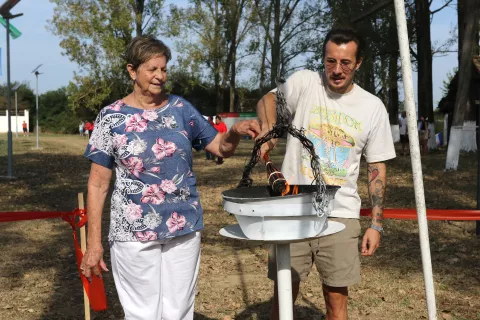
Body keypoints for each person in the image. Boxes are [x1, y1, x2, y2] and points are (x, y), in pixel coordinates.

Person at [80, 35, 260, 320]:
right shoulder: (110, 118)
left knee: (179, 313)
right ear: (132, 71)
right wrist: (93, 245)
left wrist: (235, 132)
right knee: (143, 315)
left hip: (183, 227)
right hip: (133, 232)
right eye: (152, 69)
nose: (160, 76)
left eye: (163, 69)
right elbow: (98, 183)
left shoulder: (181, 109)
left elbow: (220, 148)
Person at [256, 27, 396, 320]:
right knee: (283, 297)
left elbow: (376, 167)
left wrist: (376, 224)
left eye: (345, 63)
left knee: (336, 300)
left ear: (358, 63)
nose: (336, 70)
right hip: (292, 209)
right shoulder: (306, 82)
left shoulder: (373, 107)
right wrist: (270, 130)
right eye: (330, 61)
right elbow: (267, 101)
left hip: (341, 213)